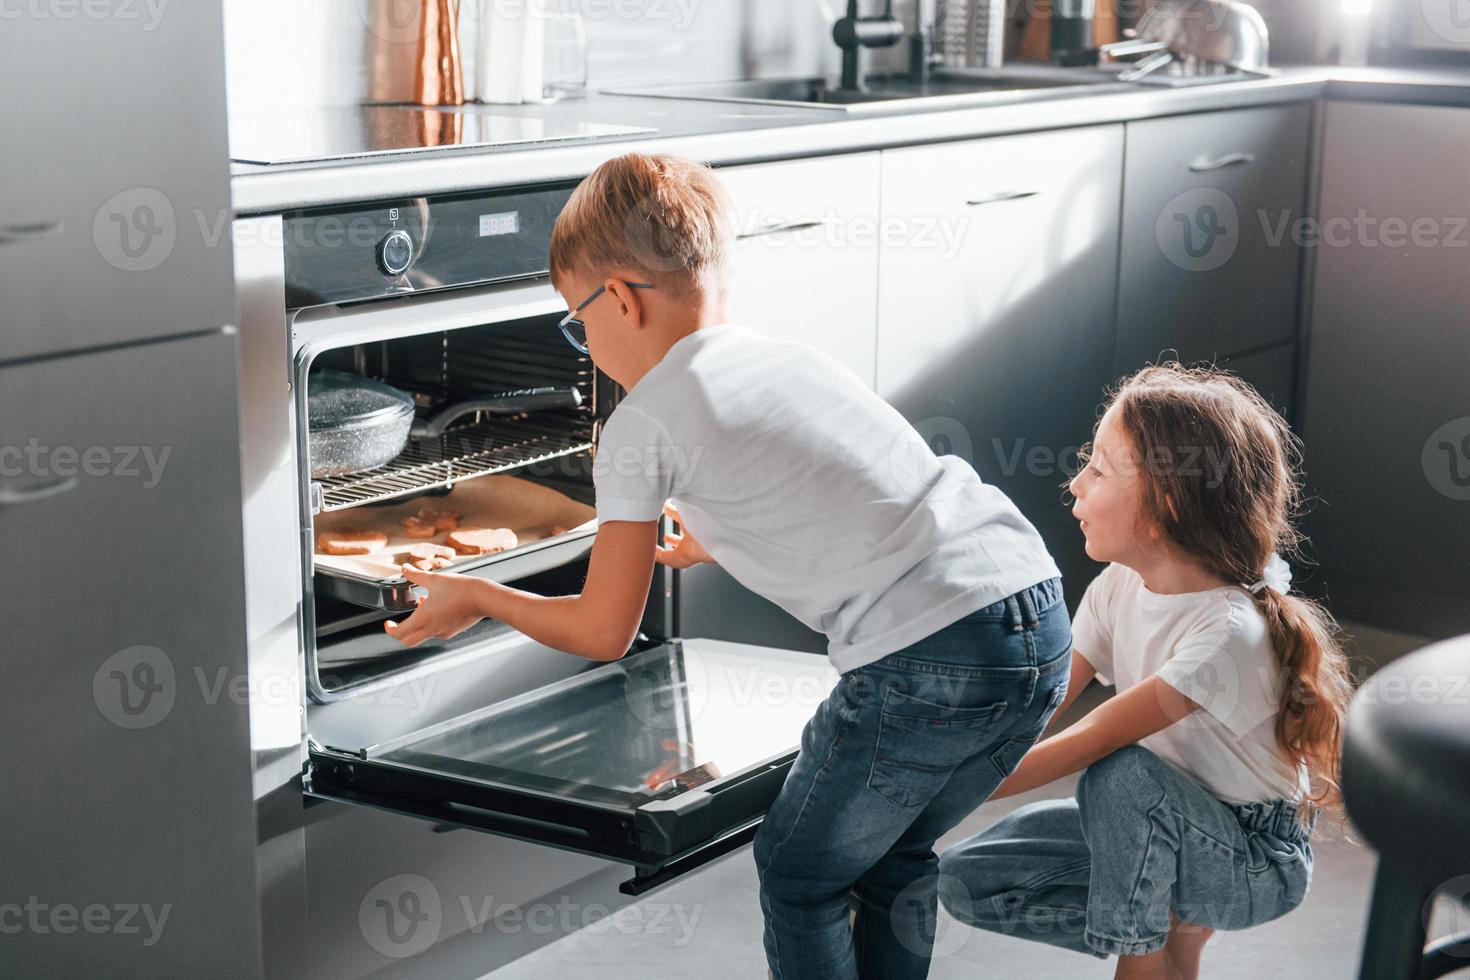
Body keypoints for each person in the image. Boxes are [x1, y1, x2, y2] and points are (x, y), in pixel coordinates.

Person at [384, 151, 1069, 979]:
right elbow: (842, 488)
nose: (585, 343)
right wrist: (714, 538)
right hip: (1032, 614)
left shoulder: (641, 424)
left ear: (622, 301)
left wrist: (480, 596)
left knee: (798, 869)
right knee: (892, 853)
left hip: (927, 657)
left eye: (577, 321)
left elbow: (605, 631)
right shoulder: (790, 359)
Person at [938, 364, 1355, 980]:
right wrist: (950, 764)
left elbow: (1094, 738)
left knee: (1121, 776)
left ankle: (1142, 959)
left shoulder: (1227, 634)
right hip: (1170, 824)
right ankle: (1170, 937)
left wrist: (938, 791)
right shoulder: (1115, 589)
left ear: (1164, 505)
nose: (1075, 484)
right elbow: (1044, 707)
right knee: (965, 878)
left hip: (1252, 859)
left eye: (1099, 469)